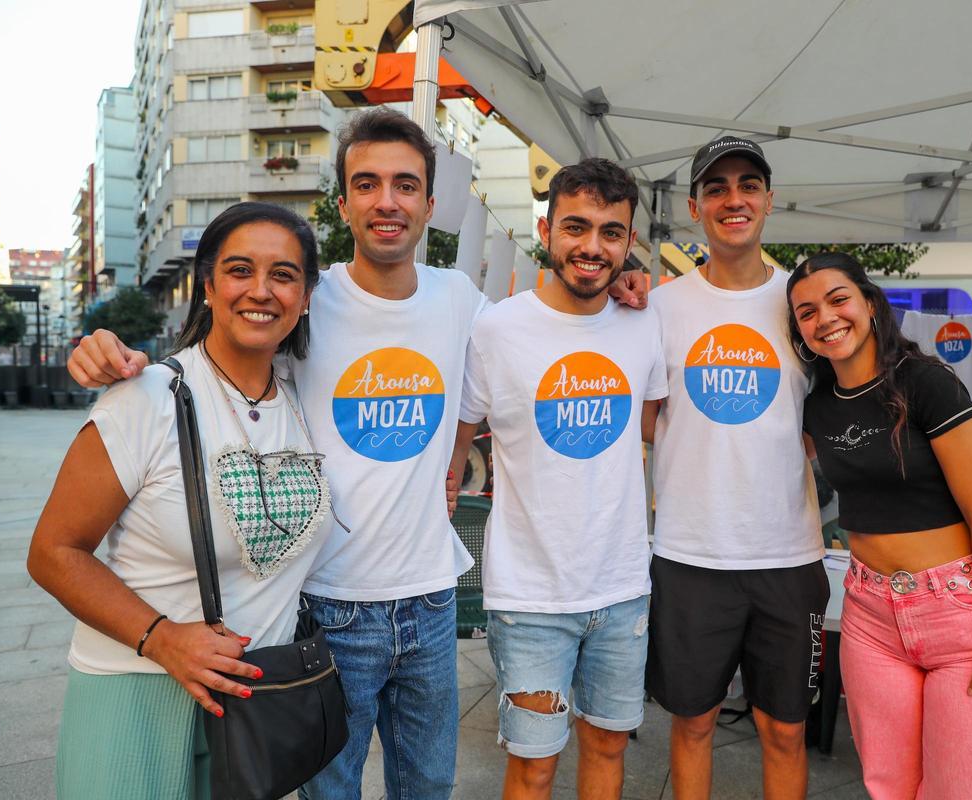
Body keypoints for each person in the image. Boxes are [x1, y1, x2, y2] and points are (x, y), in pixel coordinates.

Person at [65, 108, 648, 800]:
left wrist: (623, 277)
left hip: (432, 599)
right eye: (367, 184)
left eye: (406, 185)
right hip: (327, 604)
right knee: (330, 792)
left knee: (428, 789)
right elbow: (224, 351)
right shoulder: (306, 300)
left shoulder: (461, 300)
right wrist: (113, 351)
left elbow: (550, 320)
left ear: (429, 204)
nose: (387, 201)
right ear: (343, 204)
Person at [28, 202, 330, 798]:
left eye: (283, 274)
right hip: (136, 692)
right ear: (208, 287)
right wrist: (163, 638)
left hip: (255, 707)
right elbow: (53, 552)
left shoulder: (304, 403)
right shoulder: (146, 398)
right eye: (240, 270)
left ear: (305, 297)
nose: (261, 291)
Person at [449, 159, 666, 799]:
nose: (592, 246)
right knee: (534, 765)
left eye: (610, 232)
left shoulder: (644, 322)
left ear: (629, 242)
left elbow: (657, 427)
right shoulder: (497, 329)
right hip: (530, 597)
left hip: (622, 586)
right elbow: (457, 444)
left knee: (607, 746)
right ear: (546, 230)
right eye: (576, 227)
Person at [787, 252, 972, 798]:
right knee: (890, 787)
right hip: (870, 616)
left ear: (871, 303)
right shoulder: (818, 405)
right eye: (806, 312)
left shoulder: (926, 383)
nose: (825, 318)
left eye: (838, 300)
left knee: (963, 789)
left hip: (961, 613)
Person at [641, 136, 827, 800]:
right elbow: (646, 420)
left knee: (785, 731)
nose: (733, 199)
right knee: (693, 724)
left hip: (787, 556)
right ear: (695, 208)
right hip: (690, 554)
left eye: (748, 184)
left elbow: (832, 411)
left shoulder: (803, 304)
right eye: (716, 188)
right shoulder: (660, 306)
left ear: (769, 200)